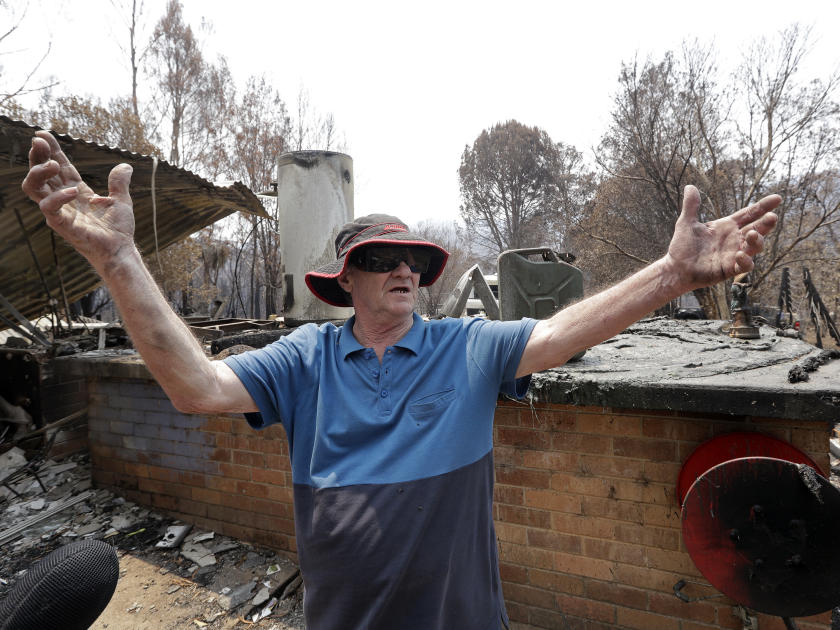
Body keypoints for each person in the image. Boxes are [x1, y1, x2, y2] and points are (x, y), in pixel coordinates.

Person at [22, 130, 779, 630]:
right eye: (384, 260)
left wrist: (671, 274)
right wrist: (119, 259)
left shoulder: (465, 349)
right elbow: (197, 388)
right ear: (345, 280)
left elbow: (556, 335)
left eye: (413, 261)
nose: (405, 271)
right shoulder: (305, 360)